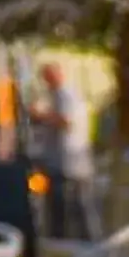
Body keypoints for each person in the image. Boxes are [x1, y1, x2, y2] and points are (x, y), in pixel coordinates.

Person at [35, 61, 98, 241]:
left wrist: (42, 115)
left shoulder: (66, 95)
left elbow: (66, 121)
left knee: (78, 206)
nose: (46, 82)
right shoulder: (57, 95)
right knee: (63, 207)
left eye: (48, 77)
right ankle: (65, 240)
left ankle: (85, 242)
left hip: (69, 162)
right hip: (63, 161)